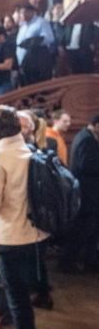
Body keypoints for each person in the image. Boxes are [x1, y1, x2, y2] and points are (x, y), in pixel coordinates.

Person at [0, 105, 50, 329]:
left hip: (8, 236)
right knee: (25, 299)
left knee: (16, 300)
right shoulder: (29, 150)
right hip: (34, 234)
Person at [64, 114, 99, 272]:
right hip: (87, 193)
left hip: (89, 192)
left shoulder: (85, 136)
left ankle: (88, 261)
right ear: (96, 125)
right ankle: (69, 262)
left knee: (89, 229)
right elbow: (86, 165)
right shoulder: (86, 139)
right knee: (83, 229)